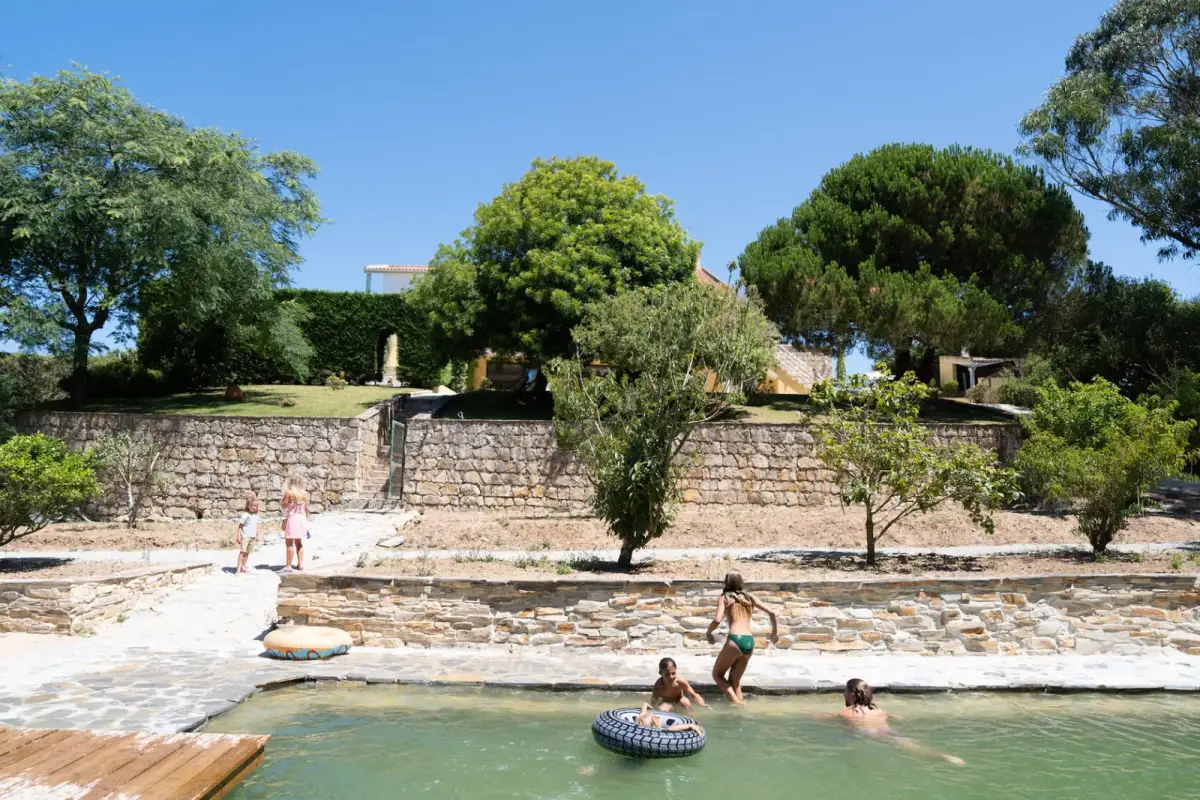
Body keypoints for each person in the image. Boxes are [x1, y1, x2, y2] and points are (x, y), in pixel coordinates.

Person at [830, 678, 964, 765]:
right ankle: (944, 757)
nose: (843, 694)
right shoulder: (877, 709)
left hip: (870, 733)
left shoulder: (848, 711)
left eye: (845, 691)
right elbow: (896, 717)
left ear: (851, 694)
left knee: (911, 749)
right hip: (888, 730)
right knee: (912, 745)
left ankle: (945, 758)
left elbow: (831, 718)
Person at [705, 570, 777, 705]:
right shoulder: (750, 598)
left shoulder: (724, 597)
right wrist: (774, 634)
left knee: (717, 675)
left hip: (735, 640)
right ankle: (740, 708)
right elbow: (772, 613)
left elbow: (717, 620)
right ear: (741, 582)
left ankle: (737, 703)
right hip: (749, 642)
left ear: (726, 582)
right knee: (735, 681)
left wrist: (708, 633)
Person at [281, 478, 309, 573]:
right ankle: (300, 564)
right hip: (302, 519)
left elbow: (284, 506)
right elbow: (306, 509)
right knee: (299, 542)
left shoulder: (289, 493)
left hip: (293, 519)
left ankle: (288, 566)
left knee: (289, 543)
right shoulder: (304, 494)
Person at [635, 703, 704, 734]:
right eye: (657, 717)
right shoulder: (655, 729)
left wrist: (647, 705)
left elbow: (644, 706)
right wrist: (690, 725)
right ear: (654, 723)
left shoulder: (640, 718)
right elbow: (670, 729)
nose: (659, 717)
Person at [234, 497, 260, 575]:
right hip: (245, 536)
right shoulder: (245, 515)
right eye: (251, 505)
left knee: (248, 552)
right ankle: (238, 569)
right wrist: (238, 536)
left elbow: (256, 526)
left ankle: (243, 567)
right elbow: (240, 526)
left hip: (252, 537)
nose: (253, 507)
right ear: (248, 506)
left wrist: (257, 535)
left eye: (255, 505)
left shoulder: (256, 515)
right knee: (242, 552)